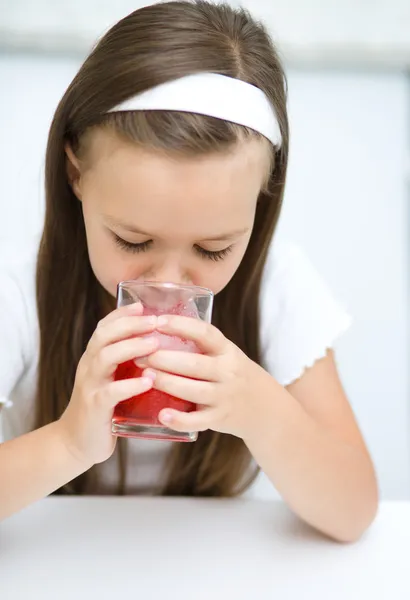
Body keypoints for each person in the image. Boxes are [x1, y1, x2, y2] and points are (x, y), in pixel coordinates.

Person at [0, 0, 378, 540]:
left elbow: (354, 513)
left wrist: (263, 412)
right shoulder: (16, 294)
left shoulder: (279, 288)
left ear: (260, 205)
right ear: (75, 174)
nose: (169, 281)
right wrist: (64, 443)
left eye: (214, 250)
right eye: (133, 239)